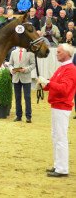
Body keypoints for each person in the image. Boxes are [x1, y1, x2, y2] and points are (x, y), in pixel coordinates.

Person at [37, 44, 76, 177]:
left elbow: (64, 89)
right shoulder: (62, 68)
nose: (56, 53)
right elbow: (52, 85)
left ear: (67, 54)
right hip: (56, 106)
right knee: (56, 137)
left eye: (59, 52)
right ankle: (58, 165)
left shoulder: (70, 70)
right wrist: (43, 83)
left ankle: (62, 168)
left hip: (62, 106)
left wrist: (47, 83)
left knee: (60, 138)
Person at [8, 47, 35, 123]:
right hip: (16, 77)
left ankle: (28, 116)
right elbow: (10, 64)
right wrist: (11, 70)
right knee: (17, 98)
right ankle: (18, 116)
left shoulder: (30, 52)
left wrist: (26, 69)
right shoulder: (13, 52)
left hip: (26, 78)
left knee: (27, 97)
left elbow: (33, 64)